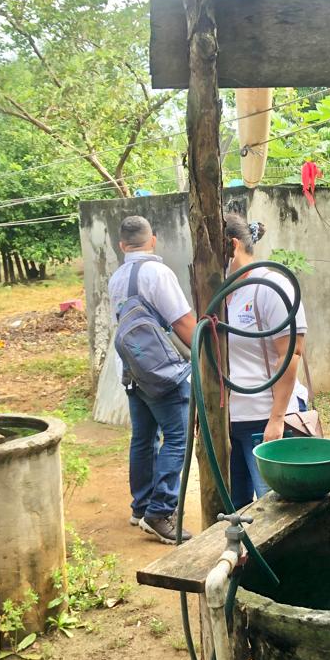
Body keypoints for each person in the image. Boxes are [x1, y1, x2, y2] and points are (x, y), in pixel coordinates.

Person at [108, 216, 196, 544]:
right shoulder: (158, 273)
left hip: (131, 372)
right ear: (153, 240)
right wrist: (206, 353)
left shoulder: (116, 278)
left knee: (142, 438)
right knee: (177, 437)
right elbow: (184, 323)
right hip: (161, 376)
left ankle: (141, 507)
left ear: (122, 245)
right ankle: (160, 513)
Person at [223, 214, 309, 508]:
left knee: (275, 508)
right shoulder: (223, 290)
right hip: (229, 422)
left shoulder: (271, 286)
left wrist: (277, 419)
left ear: (233, 247)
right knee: (235, 510)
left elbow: (292, 353)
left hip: (264, 420)